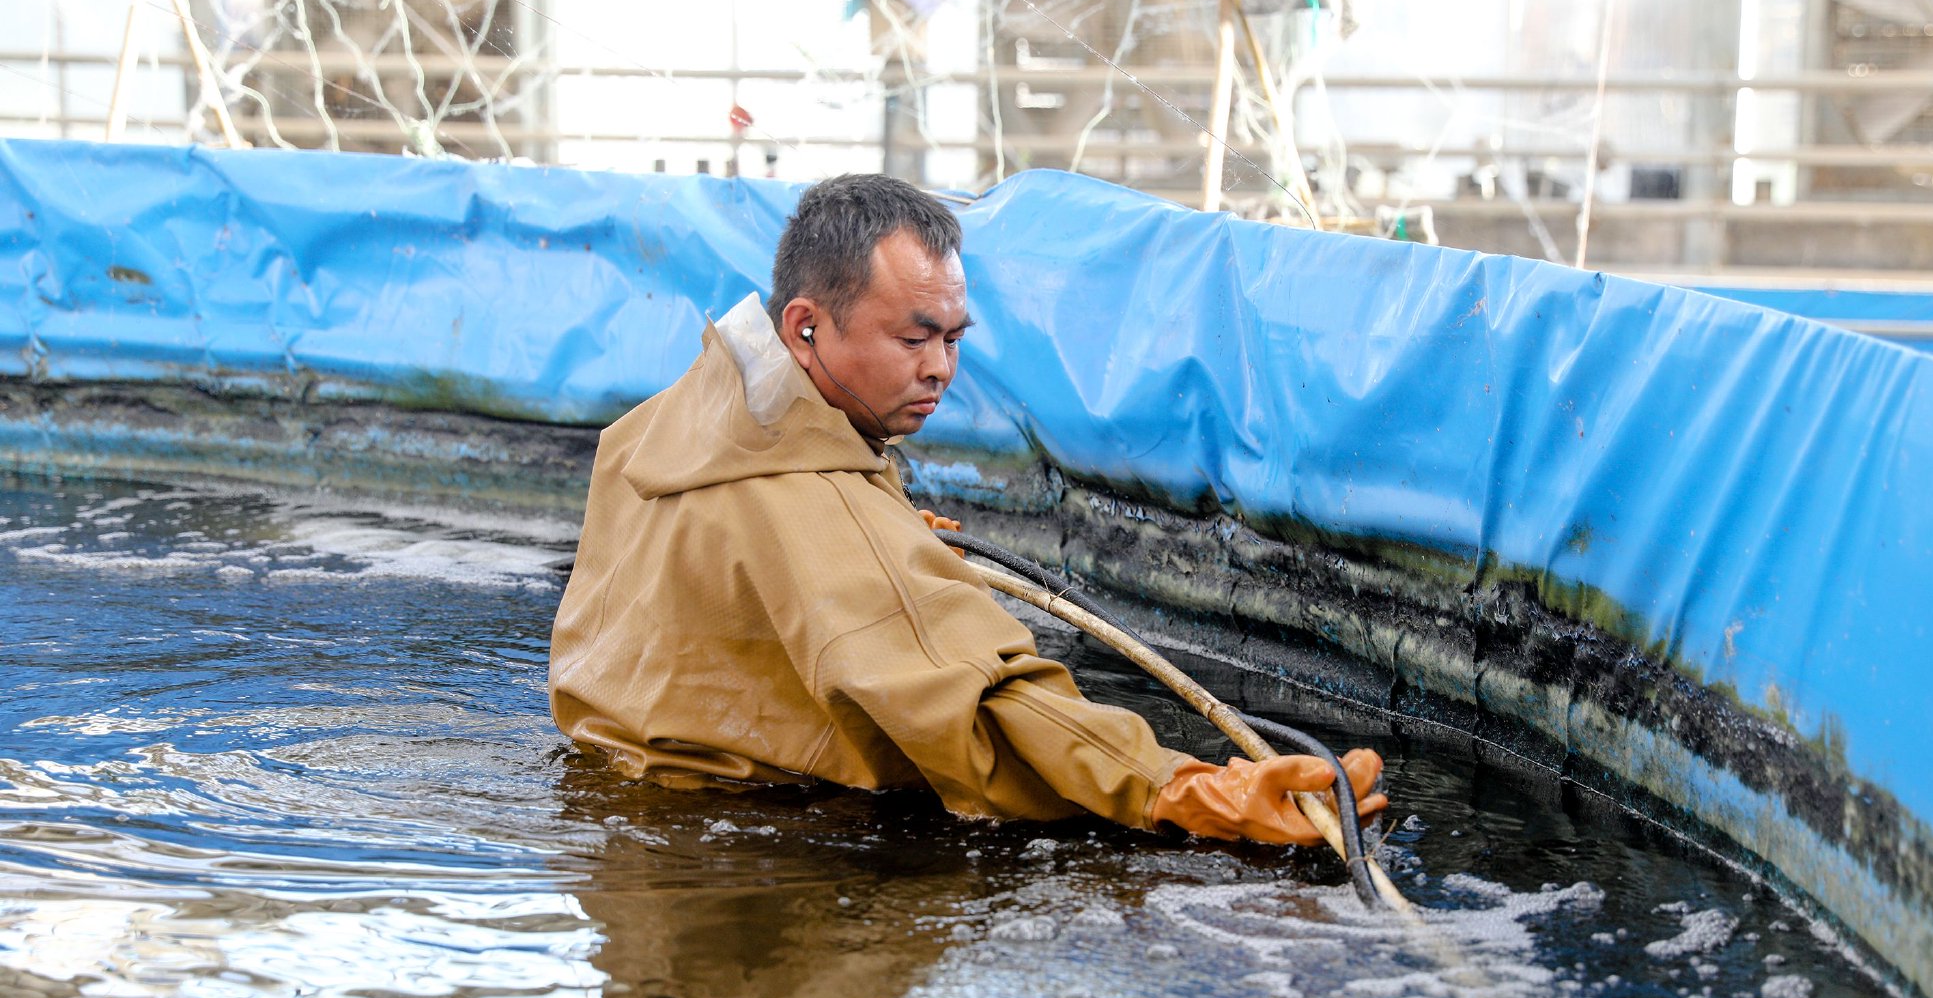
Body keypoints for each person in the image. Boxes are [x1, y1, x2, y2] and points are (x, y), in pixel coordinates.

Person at [548, 173, 1387, 845]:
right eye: (913, 339)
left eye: (953, 338)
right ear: (806, 326)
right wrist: (1190, 789)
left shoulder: (662, 426)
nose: (941, 369)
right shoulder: (831, 515)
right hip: (762, 852)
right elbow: (985, 707)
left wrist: (883, 525)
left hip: (610, 820)